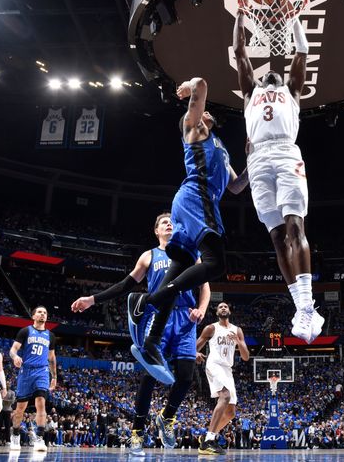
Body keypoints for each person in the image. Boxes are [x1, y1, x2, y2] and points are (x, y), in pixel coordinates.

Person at [128, 77, 248, 384]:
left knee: (180, 266)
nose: (207, 113)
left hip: (201, 202)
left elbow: (235, 187)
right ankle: (147, 302)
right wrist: (192, 85)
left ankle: (152, 342)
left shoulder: (220, 147)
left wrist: (254, 161)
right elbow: (203, 85)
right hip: (197, 198)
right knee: (216, 263)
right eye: (201, 111)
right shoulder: (194, 130)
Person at [70, 211, 211, 455]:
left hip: (186, 319)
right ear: (156, 231)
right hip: (158, 319)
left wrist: (201, 309)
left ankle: (166, 417)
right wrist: (92, 299)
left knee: (187, 377)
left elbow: (205, 286)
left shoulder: (190, 253)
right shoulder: (149, 256)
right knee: (149, 376)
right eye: (163, 223)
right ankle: (137, 433)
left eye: (171, 222)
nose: (169, 224)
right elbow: (125, 285)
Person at [233, 9, 324, 343]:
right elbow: (240, 52)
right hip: (257, 159)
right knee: (275, 237)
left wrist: (295, 18)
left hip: (286, 154)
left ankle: (305, 306)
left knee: (294, 227)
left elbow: (301, 52)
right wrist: (240, 17)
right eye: (266, 72)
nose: (271, 73)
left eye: (276, 73)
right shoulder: (249, 93)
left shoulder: (293, 91)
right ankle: (303, 308)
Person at [195, 302, 250, 454]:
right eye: (220, 307)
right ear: (217, 312)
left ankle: (206, 439)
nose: (223, 308)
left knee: (231, 412)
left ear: (230, 311)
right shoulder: (211, 328)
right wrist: (195, 353)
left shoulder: (237, 330)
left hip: (227, 369)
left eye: (226, 306)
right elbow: (195, 346)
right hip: (214, 365)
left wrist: (239, 342)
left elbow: (246, 357)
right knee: (224, 397)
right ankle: (209, 440)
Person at [9, 305, 57, 451]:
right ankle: (15, 435)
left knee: (41, 403)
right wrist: (15, 357)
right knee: (20, 408)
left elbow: (52, 357)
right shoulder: (25, 331)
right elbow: (13, 350)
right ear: (34, 316)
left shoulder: (50, 335)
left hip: (42, 372)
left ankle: (40, 438)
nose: (43, 314)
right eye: (40, 312)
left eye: (45, 312)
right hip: (26, 371)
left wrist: (54, 376)